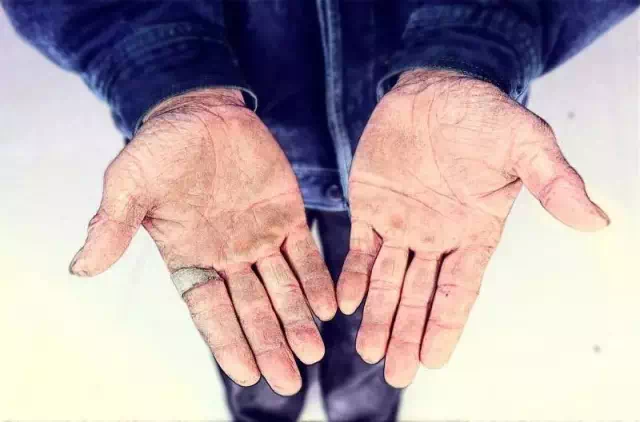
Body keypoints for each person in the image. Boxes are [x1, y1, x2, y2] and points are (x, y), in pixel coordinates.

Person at [3, 1, 637, 421]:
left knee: (380, 293)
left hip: (412, 143)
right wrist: (164, 70)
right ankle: (263, 395)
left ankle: (361, 397)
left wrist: (474, 38)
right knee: (245, 292)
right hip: (229, 140)